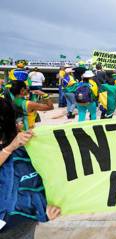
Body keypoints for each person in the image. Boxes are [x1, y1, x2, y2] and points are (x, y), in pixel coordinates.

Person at [0, 97, 61, 239]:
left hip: (21, 224)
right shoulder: (19, 151)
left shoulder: (24, 151)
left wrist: (43, 211)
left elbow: (36, 184)